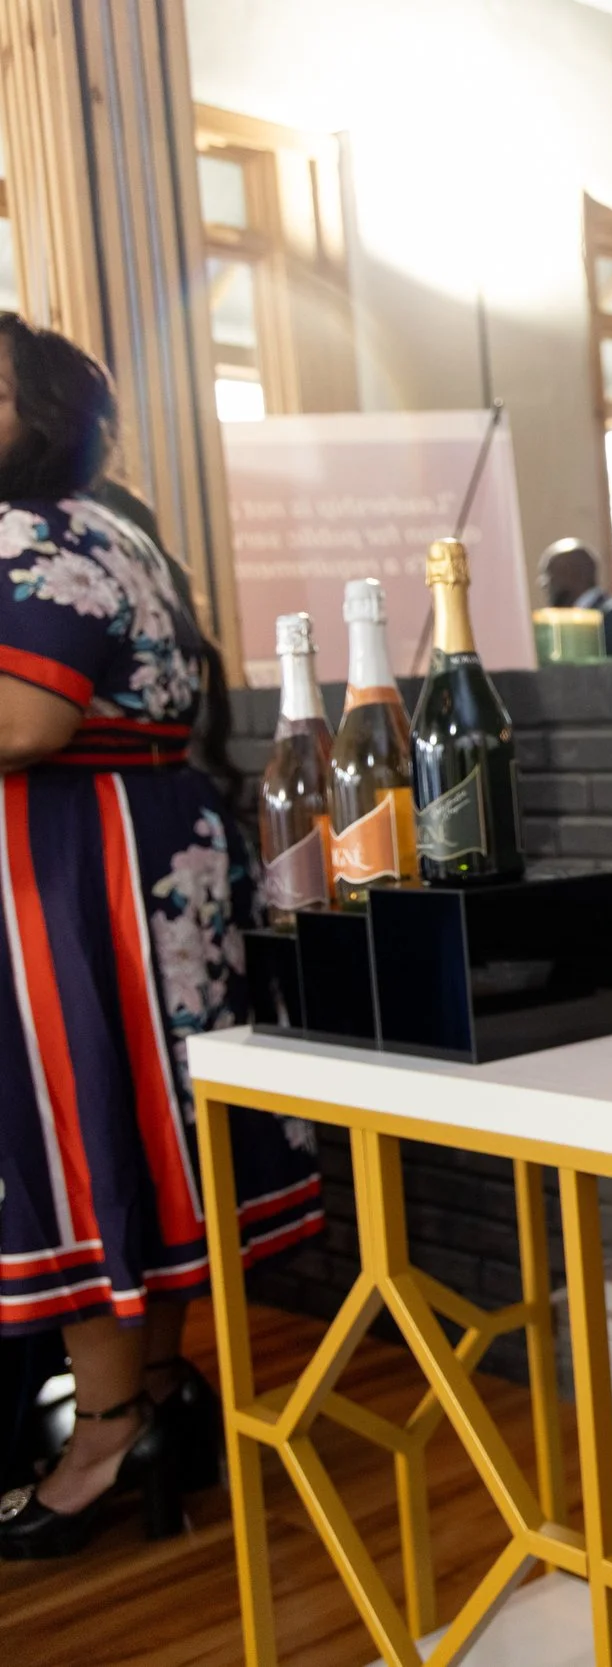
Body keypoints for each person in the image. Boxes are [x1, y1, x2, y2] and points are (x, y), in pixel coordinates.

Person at [0, 315, 323, 1558]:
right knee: (149, 1133)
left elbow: (24, 720)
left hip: (76, 880)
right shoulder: (116, 524)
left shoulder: (31, 535)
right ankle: (162, 1399)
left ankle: (105, 1432)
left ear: (37, 412)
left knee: (83, 1139)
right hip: (144, 864)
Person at [538, 536, 612, 659]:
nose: (543, 585)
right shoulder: (599, 616)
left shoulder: (610, 623)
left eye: (548, 577)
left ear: (572, 574)